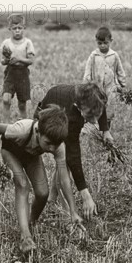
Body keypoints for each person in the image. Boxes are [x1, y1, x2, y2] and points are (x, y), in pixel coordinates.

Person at [0, 105, 84, 253]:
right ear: (38, 131)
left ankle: (31, 222)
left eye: (55, 145)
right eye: (48, 143)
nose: (52, 149)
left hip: (31, 157)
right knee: (23, 185)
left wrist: (73, 211)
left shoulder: (58, 145)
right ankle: (25, 236)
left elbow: (64, 179)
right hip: (11, 152)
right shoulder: (21, 129)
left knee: (43, 193)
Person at [34, 83, 111, 219]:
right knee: (64, 162)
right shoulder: (72, 116)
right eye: (89, 115)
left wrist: (105, 130)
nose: (93, 122)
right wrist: (85, 194)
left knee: (63, 162)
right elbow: (73, 154)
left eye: (96, 116)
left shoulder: (92, 96)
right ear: (78, 106)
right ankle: (67, 213)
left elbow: (100, 105)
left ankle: (52, 199)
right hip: (46, 119)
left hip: (59, 101)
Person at [83, 26, 127, 126]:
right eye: (100, 43)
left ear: (111, 41)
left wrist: (122, 84)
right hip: (96, 88)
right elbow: (87, 72)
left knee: (109, 111)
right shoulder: (93, 55)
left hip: (111, 88)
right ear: (96, 42)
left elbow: (120, 70)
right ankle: (96, 130)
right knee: (96, 109)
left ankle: (106, 131)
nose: (102, 46)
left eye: (105, 43)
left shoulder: (114, 55)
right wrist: (86, 85)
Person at [0, 14, 35, 121]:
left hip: (23, 74)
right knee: (6, 99)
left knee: (22, 104)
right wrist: (6, 60)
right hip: (10, 73)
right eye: (14, 28)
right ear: (10, 29)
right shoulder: (6, 43)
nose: (17, 31)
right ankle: (6, 124)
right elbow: (2, 61)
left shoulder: (27, 43)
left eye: (20, 28)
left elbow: (31, 60)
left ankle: (24, 124)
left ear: (24, 28)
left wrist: (19, 59)